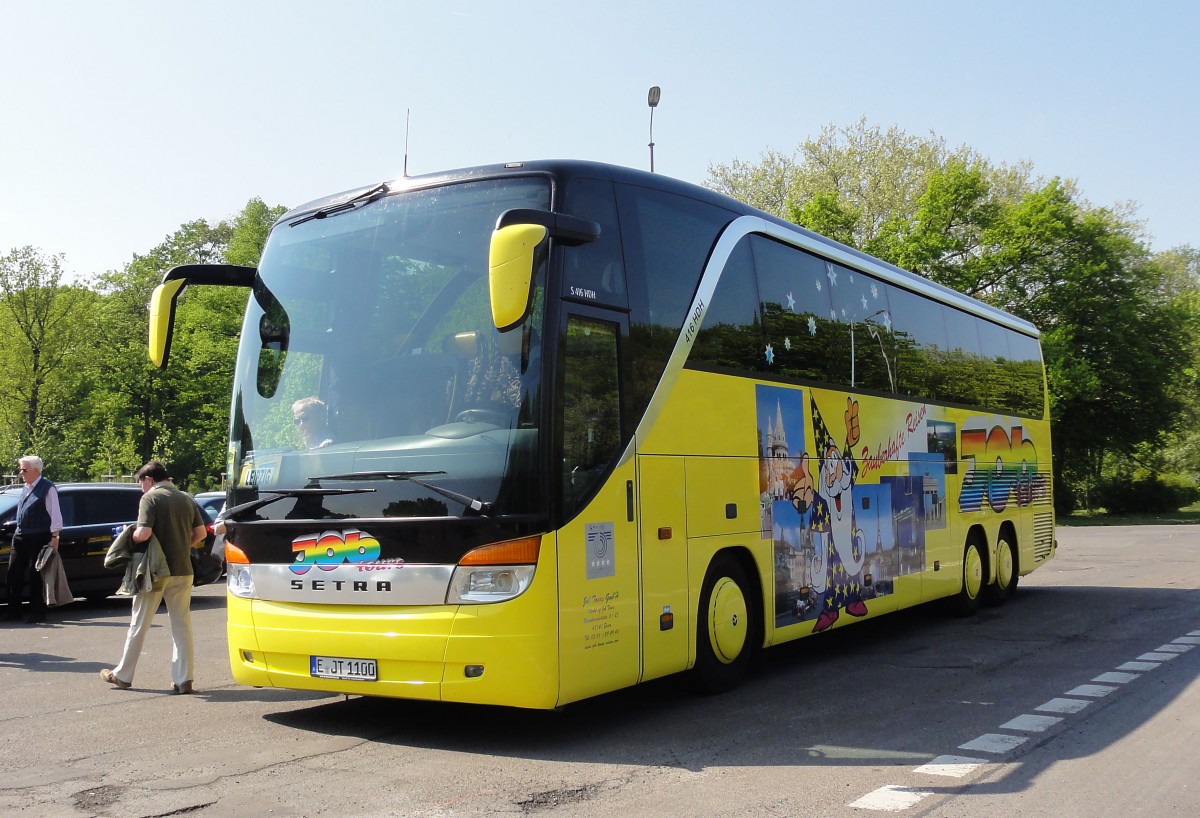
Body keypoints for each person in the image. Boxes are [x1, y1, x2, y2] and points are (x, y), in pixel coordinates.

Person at [100, 461, 206, 694]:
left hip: (155, 571)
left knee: (139, 623)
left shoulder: (150, 499)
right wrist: (180, 545)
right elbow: (201, 533)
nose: (141, 489)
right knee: (182, 625)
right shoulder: (186, 498)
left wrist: (127, 534)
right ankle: (183, 679)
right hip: (184, 570)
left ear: (148, 480)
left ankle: (123, 675)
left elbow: (144, 533)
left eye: (141, 484)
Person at [4, 456, 63, 624]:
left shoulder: (47, 488)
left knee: (35, 574)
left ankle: (37, 612)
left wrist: (55, 537)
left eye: (24, 469)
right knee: (14, 573)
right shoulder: (26, 487)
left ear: (36, 471)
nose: (21, 473)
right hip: (21, 535)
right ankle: (14, 610)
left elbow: (55, 514)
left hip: (39, 535)